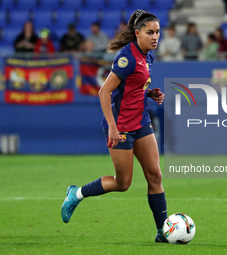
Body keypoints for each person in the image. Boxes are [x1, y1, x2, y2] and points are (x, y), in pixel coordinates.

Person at [61, 9, 168, 243]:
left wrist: (149, 93)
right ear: (137, 33)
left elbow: (133, 87)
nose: (155, 37)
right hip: (120, 126)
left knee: (155, 175)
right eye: (150, 32)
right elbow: (105, 91)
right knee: (123, 183)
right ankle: (76, 194)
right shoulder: (126, 57)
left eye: (158, 32)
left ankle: (163, 232)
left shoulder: (148, 55)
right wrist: (112, 126)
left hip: (141, 121)